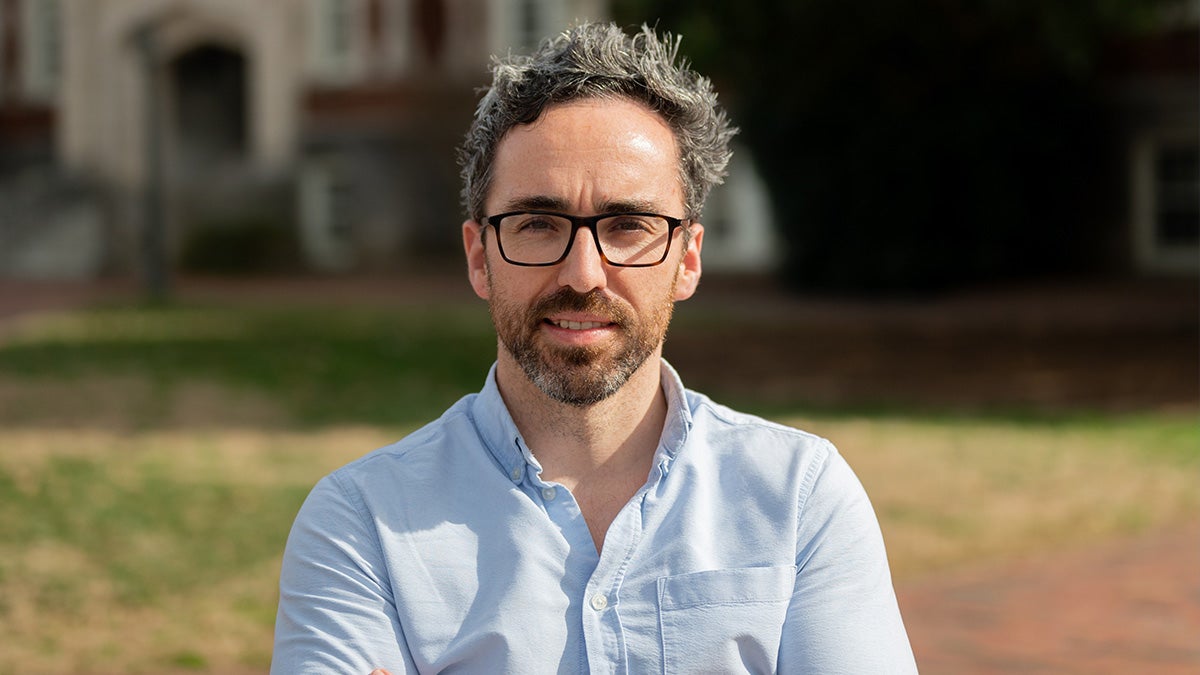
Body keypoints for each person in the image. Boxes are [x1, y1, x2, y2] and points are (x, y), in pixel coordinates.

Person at [271, 21, 916, 674]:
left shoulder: (798, 499)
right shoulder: (362, 525)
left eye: (628, 225)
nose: (582, 273)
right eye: (538, 224)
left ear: (688, 258)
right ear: (478, 256)